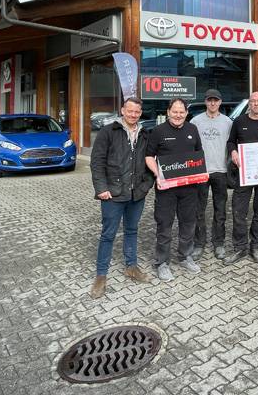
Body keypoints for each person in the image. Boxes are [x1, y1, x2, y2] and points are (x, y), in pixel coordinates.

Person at [88, 97, 153, 298]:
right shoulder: (108, 132)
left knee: (132, 230)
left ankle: (131, 267)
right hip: (113, 194)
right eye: (130, 111)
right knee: (108, 234)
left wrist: (145, 187)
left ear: (140, 113)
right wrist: (101, 188)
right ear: (123, 110)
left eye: (137, 112)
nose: (133, 115)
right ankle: (101, 276)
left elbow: (151, 161)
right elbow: (97, 162)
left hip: (136, 194)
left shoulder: (145, 134)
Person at [145, 98, 205, 281]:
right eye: (175, 111)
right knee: (165, 224)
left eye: (182, 112)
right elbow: (149, 157)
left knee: (188, 223)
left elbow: (198, 155)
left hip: (189, 188)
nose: (178, 115)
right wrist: (158, 175)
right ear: (168, 111)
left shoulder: (192, 129)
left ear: (186, 113)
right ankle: (162, 263)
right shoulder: (158, 131)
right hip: (166, 188)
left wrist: (201, 173)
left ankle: (184, 256)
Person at [224, 91, 258, 264]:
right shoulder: (239, 122)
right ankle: (240, 248)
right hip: (244, 175)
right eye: (253, 101)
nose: (256, 104)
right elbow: (231, 141)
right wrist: (233, 151)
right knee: (239, 212)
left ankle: (255, 247)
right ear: (249, 103)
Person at [190, 89, 233, 260]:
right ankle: (199, 243)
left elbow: (232, 145)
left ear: (220, 102)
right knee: (198, 210)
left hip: (220, 171)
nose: (213, 103)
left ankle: (219, 243)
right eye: (209, 100)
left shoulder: (228, 122)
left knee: (220, 209)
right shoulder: (195, 121)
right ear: (206, 102)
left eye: (215, 100)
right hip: (201, 171)